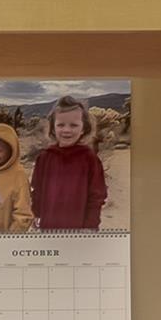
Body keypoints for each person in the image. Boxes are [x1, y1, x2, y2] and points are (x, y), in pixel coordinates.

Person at [28, 95, 108, 232]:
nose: (66, 130)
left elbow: (97, 196)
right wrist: (36, 214)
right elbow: (37, 190)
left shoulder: (90, 159)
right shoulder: (45, 158)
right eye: (61, 125)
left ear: (83, 128)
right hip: (48, 228)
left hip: (79, 231)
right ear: (53, 128)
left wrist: (90, 226)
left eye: (74, 125)